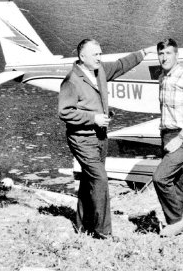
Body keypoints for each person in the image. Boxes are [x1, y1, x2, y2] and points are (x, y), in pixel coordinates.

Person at [58, 38, 155, 239]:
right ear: (82, 56)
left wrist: (144, 52)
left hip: (100, 137)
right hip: (82, 139)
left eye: (100, 53)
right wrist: (93, 118)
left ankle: (82, 225)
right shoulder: (72, 81)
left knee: (88, 180)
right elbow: (64, 112)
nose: (99, 57)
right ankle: (103, 232)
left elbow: (121, 65)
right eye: (95, 54)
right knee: (100, 180)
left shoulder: (99, 70)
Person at [152, 38, 183, 237]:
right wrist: (166, 137)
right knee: (174, 178)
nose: (164, 57)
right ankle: (178, 220)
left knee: (160, 177)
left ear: (177, 55)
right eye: (161, 54)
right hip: (166, 134)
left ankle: (175, 221)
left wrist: (180, 138)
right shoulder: (162, 78)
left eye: (168, 53)